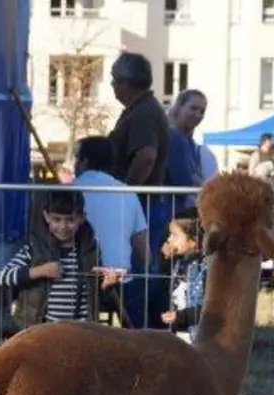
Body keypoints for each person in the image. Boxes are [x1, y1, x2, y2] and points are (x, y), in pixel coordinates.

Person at [108, 51, 172, 329]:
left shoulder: (143, 113)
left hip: (141, 208)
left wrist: (125, 194)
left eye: (114, 80)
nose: (112, 85)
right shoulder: (144, 109)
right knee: (141, 278)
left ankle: (140, 337)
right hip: (144, 206)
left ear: (126, 82)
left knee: (135, 281)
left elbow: (146, 155)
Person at [0, 191, 118, 326]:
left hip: (81, 329)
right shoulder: (35, 248)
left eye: (70, 220)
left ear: (81, 218)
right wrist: (40, 271)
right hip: (44, 328)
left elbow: (95, 295)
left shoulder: (90, 251)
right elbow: (3, 276)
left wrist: (106, 286)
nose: (63, 226)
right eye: (57, 219)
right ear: (46, 217)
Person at [72, 136, 148, 317]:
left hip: (75, 280)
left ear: (84, 161)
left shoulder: (67, 191)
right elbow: (144, 252)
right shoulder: (127, 193)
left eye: (76, 158)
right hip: (119, 280)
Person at [158, 206, 207, 344]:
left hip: (199, 338)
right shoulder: (179, 262)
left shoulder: (205, 268)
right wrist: (165, 260)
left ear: (193, 241)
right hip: (180, 336)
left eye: (174, 235)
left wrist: (181, 316)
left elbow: (208, 308)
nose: (169, 239)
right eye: (169, 234)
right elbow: (163, 285)